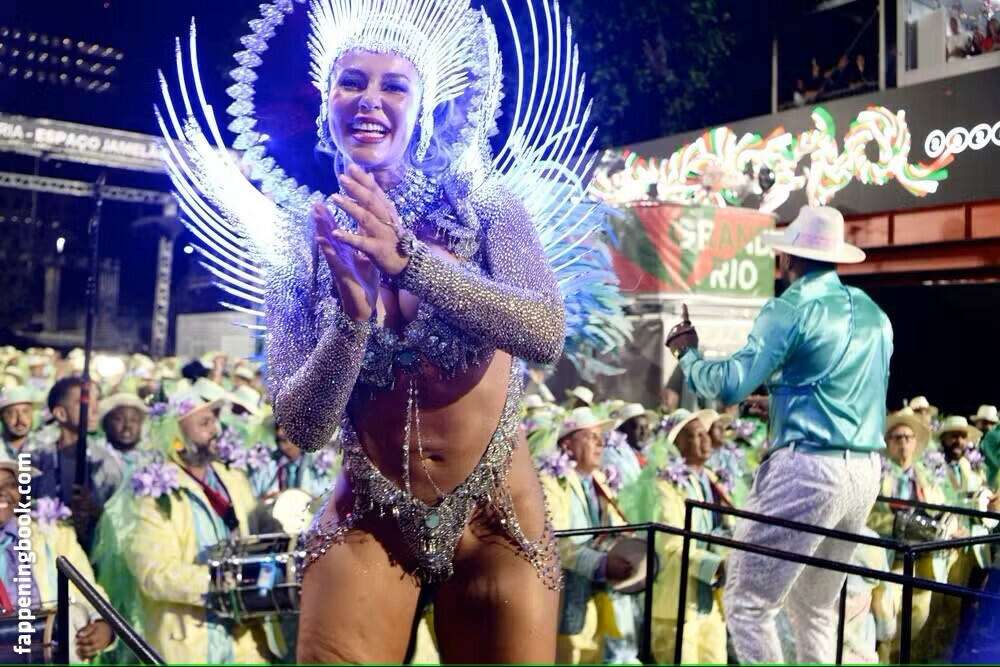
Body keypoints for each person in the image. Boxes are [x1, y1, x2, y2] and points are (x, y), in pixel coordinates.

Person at [666, 205, 892, 664]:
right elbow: (851, 393)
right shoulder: (874, 313)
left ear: (788, 258)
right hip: (865, 473)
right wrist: (785, 402)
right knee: (816, 607)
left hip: (808, 470)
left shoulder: (790, 308)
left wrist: (688, 354)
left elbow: (728, 385)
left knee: (748, 603)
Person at [122, 391, 268, 663]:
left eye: (214, 420)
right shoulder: (153, 492)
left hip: (245, 644)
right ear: (176, 435)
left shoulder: (233, 478)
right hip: (188, 644)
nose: (215, 430)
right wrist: (225, 583)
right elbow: (154, 574)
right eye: (204, 423)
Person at [538, 407, 638, 665]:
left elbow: (616, 526)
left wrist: (629, 548)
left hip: (597, 600)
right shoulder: (552, 481)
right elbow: (554, 541)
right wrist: (602, 564)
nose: (601, 443)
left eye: (601, 437)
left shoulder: (600, 480)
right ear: (568, 446)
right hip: (566, 600)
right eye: (591, 437)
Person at [0, 458, 115, 663]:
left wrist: (103, 625)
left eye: (10, 484)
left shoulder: (53, 535)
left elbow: (88, 591)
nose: (3, 492)